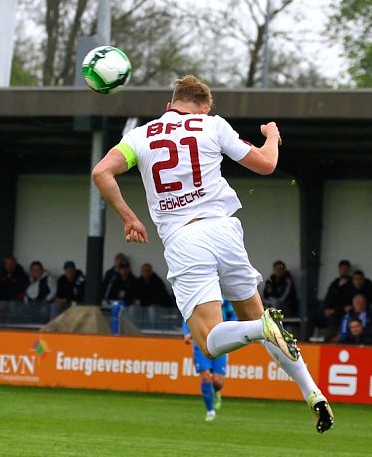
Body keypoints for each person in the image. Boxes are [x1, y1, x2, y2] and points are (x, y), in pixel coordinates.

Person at [91, 74, 333, 432]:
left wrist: (130, 218)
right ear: (204, 108)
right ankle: (312, 391)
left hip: (185, 240)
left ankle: (261, 328)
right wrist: (271, 137)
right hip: (224, 231)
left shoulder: (140, 136)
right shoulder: (212, 125)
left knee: (208, 341)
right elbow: (267, 164)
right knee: (258, 317)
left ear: (169, 105)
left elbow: (101, 172)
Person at [184, 300, 236, 421]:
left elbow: (233, 316)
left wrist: (229, 329)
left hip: (219, 342)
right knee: (206, 377)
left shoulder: (224, 298)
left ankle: (215, 391)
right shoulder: (197, 297)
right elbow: (186, 317)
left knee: (218, 381)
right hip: (200, 343)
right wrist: (187, 333)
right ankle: (210, 411)